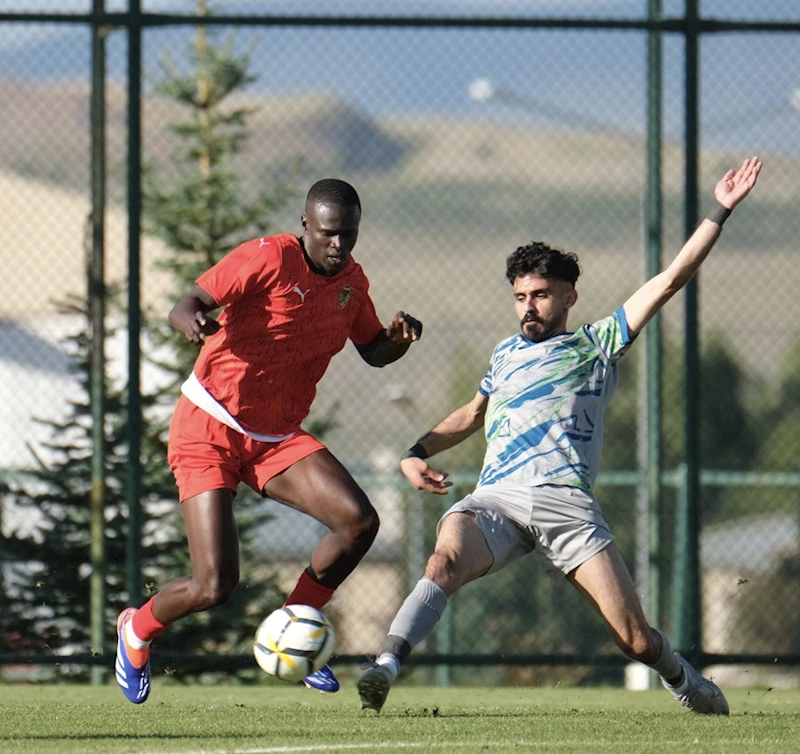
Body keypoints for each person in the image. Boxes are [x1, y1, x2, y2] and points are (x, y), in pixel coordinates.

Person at [357, 157, 762, 716]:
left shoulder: (597, 344)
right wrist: (415, 452)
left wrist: (720, 209)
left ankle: (681, 677)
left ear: (569, 297)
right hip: (497, 499)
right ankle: (385, 666)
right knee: (442, 562)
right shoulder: (504, 353)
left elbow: (671, 279)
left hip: (565, 506)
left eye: (541, 294)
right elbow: (472, 413)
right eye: (520, 296)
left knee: (634, 640)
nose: (529, 306)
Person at [114, 178, 423, 703]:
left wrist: (397, 340)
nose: (339, 245)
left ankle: (294, 625)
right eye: (328, 233)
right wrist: (192, 321)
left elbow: (373, 350)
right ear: (306, 225)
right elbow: (185, 304)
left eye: (348, 234)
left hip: (275, 436)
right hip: (209, 425)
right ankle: (137, 629)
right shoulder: (268, 257)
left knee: (358, 522)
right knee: (214, 585)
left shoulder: (351, 283)